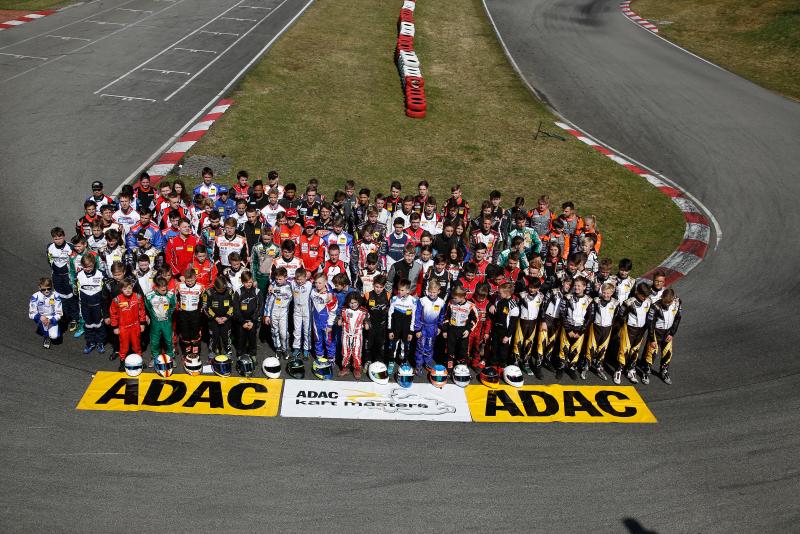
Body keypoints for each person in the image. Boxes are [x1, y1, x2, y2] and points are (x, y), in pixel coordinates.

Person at [614, 282, 653, 384]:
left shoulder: (649, 301)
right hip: (629, 329)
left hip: (641, 330)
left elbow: (649, 316)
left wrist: (646, 327)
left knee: (635, 350)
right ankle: (619, 370)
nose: (644, 298)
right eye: (643, 295)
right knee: (624, 349)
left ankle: (631, 369)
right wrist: (623, 325)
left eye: (646, 296)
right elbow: (620, 315)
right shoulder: (629, 302)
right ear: (637, 292)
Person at [642, 287, 681, 385]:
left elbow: (678, 318)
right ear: (662, 297)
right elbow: (650, 323)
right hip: (656, 332)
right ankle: (646, 372)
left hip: (668, 332)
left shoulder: (677, 303)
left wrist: (672, 333)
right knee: (651, 353)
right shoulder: (655, 306)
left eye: (669, 302)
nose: (667, 304)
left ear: (673, 299)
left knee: (668, 353)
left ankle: (664, 371)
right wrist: (652, 339)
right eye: (665, 302)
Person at [556, 276, 592, 380]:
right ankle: (561, 367)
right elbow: (562, 314)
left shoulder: (589, 300)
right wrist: (568, 330)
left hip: (580, 329)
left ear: (584, 287)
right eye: (575, 285)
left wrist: (581, 332)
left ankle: (571, 368)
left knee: (576, 349)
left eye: (579, 286)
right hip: (568, 327)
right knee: (564, 347)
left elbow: (590, 317)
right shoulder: (567, 297)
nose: (576, 288)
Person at [109, 279, 146, 370]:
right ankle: (122, 361)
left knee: (136, 345)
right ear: (121, 289)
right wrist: (115, 327)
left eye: (129, 288)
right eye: (125, 289)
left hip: (135, 325)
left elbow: (142, 310)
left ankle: (139, 360)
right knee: (124, 346)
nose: (128, 290)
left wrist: (142, 323)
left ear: (132, 287)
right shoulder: (117, 299)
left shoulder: (138, 297)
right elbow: (113, 314)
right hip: (123, 327)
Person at [537, 276, 572, 369]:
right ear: (563, 282)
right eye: (567, 284)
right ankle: (538, 362)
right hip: (547, 318)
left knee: (552, 342)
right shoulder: (553, 291)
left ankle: (547, 360)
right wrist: (543, 321)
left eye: (570, 285)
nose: (568, 286)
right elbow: (543, 306)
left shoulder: (569, 296)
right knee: (542, 341)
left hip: (557, 321)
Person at [514, 277, 545, 377]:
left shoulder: (541, 296)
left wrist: (543, 321)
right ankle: (515, 362)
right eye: (531, 287)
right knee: (518, 342)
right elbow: (515, 308)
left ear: (538, 288)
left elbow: (542, 310)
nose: (532, 289)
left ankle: (526, 362)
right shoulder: (522, 295)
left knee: (529, 343)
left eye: (535, 288)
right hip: (522, 321)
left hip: (533, 322)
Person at [586, 282, 618, 381]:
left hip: (607, 328)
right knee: (591, 346)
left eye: (608, 293)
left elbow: (616, 316)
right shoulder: (596, 300)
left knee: (603, 348)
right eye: (604, 292)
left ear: (612, 293)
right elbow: (591, 314)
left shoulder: (616, 303)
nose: (605, 295)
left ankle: (599, 366)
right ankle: (586, 365)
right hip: (596, 327)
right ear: (601, 291)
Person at [77, 254, 106, 354]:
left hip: (97, 305)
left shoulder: (101, 274)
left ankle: (100, 342)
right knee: (88, 325)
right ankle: (90, 342)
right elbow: (75, 287)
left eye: (90, 266)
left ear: (94, 264)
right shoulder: (78, 275)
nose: (88, 269)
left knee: (99, 325)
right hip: (85, 305)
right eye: (85, 267)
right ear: (82, 266)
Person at [414, 280, 446, 373]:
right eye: (430, 292)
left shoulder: (441, 302)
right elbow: (417, 315)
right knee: (420, 346)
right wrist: (418, 329)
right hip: (423, 327)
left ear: (438, 291)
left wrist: (439, 326)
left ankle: (428, 362)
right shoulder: (422, 300)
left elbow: (442, 316)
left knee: (430, 346)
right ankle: (418, 365)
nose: (432, 294)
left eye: (434, 292)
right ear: (427, 290)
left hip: (433, 328)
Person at [443, 286, 478, 369]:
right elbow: (446, 316)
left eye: (455, 298)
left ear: (462, 297)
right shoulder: (451, 303)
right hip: (452, 329)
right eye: (453, 297)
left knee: (463, 348)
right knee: (450, 348)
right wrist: (445, 330)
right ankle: (450, 364)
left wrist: (468, 330)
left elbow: (475, 319)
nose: (453, 299)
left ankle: (462, 364)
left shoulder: (470, 305)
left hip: (463, 330)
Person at [488, 282, 519, 371]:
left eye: (500, 293)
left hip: (505, 332)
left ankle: (502, 366)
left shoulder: (513, 305)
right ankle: (493, 365)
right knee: (494, 348)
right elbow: (495, 313)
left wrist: (507, 336)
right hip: (496, 329)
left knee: (503, 351)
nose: (498, 294)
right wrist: (492, 306)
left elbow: (513, 323)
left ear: (507, 293)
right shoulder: (499, 301)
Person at [175, 268, 204, 361]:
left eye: (192, 280)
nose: (190, 283)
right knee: (185, 334)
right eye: (188, 281)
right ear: (184, 279)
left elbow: (204, 300)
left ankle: (195, 352)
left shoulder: (201, 287)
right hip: (183, 313)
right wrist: (177, 307)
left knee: (195, 333)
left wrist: (201, 311)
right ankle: (186, 352)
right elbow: (175, 297)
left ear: (195, 278)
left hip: (195, 313)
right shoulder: (179, 285)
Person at [338, 292, 369, 378]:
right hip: (346, 334)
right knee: (345, 352)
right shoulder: (344, 309)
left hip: (357, 335)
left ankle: (357, 369)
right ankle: (345, 368)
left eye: (355, 302)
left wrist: (367, 324)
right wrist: (339, 320)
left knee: (356, 352)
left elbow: (367, 320)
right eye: (351, 303)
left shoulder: (363, 311)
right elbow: (339, 317)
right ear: (348, 302)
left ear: (359, 301)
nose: (353, 305)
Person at [265, 266, 293, 358]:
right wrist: (267, 315)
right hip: (273, 312)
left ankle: (285, 349)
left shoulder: (291, 285)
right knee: (274, 331)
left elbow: (300, 282)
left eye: (280, 279)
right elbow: (268, 301)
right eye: (276, 279)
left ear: (286, 277)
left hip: (283, 313)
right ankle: (278, 348)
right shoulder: (272, 286)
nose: (278, 281)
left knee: (283, 334)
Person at [202, 277, 234, 359]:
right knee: (214, 337)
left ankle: (228, 351)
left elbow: (233, 306)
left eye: (224, 289)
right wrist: (215, 318)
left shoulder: (230, 291)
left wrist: (226, 317)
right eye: (220, 289)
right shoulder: (208, 292)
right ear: (215, 286)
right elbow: (205, 308)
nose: (222, 291)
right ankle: (212, 351)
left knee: (226, 337)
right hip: (213, 320)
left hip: (226, 320)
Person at [233, 271, 262, 359]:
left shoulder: (257, 291)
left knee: (252, 338)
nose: (248, 284)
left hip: (252, 321)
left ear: (252, 281)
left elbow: (260, 307)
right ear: (242, 282)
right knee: (241, 339)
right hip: (241, 322)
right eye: (246, 282)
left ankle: (253, 355)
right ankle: (240, 355)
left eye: (250, 282)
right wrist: (242, 322)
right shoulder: (238, 292)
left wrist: (253, 320)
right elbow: (236, 309)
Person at [310, 272, 338, 359]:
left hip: (326, 322)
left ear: (325, 282)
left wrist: (330, 325)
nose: (317, 285)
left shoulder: (330, 296)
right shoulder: (313, 291)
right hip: (316, 322)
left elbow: (333, 312)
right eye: (316, 283)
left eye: (320, 283)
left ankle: (331, 358)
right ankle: (319, 357)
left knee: (329, 341)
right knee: (317, 340)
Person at [30, 277, 62, 349]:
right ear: (39, 287)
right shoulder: (35, 297)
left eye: (49, 288)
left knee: (54, 336)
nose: (47, 291)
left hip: (52, 316)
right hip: (41, 317)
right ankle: (46, 336)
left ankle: (53, 327)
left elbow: (59, 313)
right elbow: (31, 313)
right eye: (44, 289)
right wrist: (40, 317)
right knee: (44, 323)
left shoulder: (56, 296)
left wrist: (51, 320)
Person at [291, 268, 313, 359]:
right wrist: (271, 285)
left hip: (306, 310)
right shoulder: (293, 283)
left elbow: (324, 283)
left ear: (305, 277)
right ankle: (296, 348)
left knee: (307, 331)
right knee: (296, 330)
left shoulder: (310, 284)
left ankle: (306, 349)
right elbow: (282, 281)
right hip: (297, 310)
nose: (299, 281)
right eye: (298, 279)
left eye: (301, 279)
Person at [251, 228, 279, 292]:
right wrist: (254, 279)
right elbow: (253, 263)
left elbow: (278, 265)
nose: (266, 241)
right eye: (264, 239)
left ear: (272, 237)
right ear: (261, 236)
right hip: (259, 277)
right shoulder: (256, 247)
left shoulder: (276, 248)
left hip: (272, 278)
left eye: (268, 239)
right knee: (259, 296)